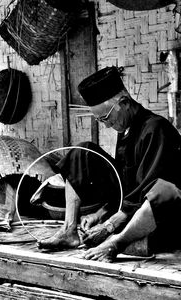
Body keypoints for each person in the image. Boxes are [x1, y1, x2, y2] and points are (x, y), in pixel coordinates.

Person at [36, 66, 181, 261]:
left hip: (160, 214)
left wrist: (109, 226)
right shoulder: (126, 129)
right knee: (81, 152)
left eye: (106, 118)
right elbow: (124, 185)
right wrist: (101, 213)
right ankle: (68, 230)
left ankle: (117, 243)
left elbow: (149, 190)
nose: (106, 125)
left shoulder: (156, 129)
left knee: (163, 191)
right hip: (131, 207)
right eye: (99, 120)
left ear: (124, 102)